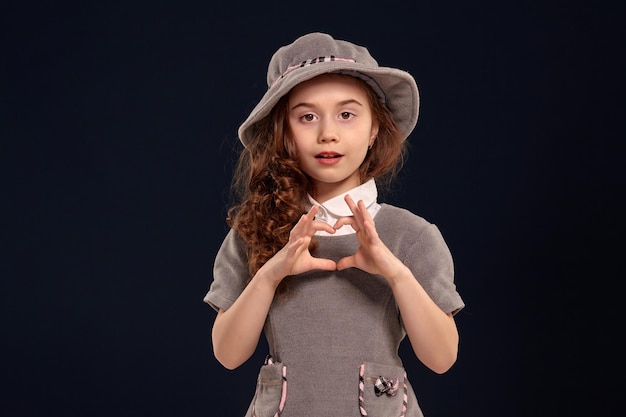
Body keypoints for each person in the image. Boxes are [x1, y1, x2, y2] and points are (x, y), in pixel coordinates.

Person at [203, 32, 464, 417]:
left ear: (375, 127)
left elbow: (442, 358)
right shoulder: (255, 230)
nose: (328, 132)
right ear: (284, 134)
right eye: (307, 116)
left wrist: (394, 271)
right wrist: (272, 272)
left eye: (347, 114)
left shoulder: (412, 235)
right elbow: (227, 355)